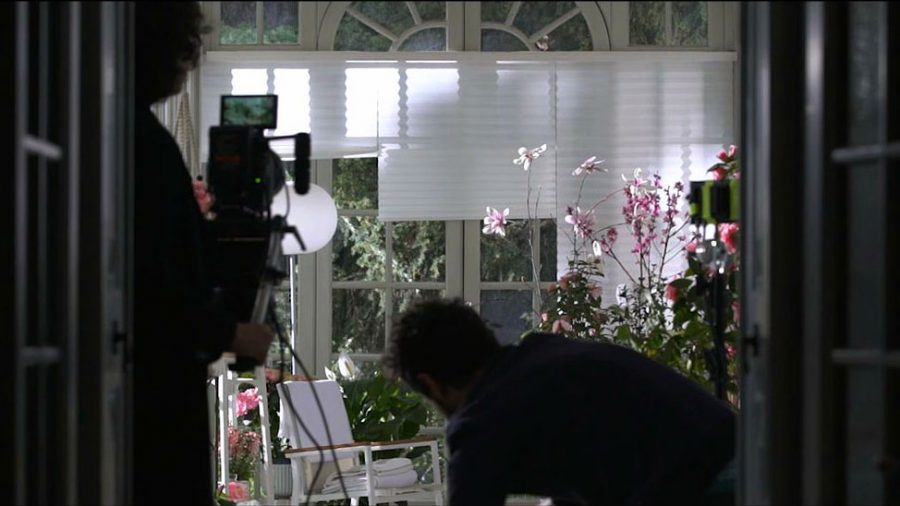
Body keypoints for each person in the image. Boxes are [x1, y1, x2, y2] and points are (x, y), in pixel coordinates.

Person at [384, 298, 735, 506]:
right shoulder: (541, 355)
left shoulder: (480, 420)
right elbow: (589, 458)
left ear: (431, 384)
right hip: (737, 452)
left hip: (705, 482)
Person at [133, 3, 273, 504]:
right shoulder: (144, 147)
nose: (191, 57)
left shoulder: (112, 133)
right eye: (187, 44)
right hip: (155, 401)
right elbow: (156, 285)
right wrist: (233, 333)